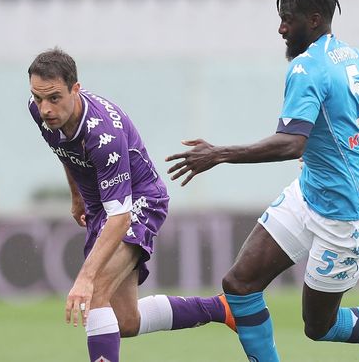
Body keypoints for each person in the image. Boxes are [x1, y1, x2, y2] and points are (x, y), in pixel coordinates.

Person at [166, 0, 359, 361]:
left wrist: (219, 153)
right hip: (309, 193)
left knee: (320, 327)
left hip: (344, 216)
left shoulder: (307, 68)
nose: (281, 28)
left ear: (314, 20)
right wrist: (349, 142)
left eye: (288, 20)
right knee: (239, 284)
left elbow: (291, 143)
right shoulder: (356, 57)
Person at [27, 48, 235, 362]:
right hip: (103, 206)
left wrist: (85, 278)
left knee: (95, 291)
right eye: (38, 98)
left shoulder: (102, 137)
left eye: (54, 98)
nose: (44, 108)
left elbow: (120, 218)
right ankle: (220, 308)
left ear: (75, 89)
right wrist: (76, 194)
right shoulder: (40, 109)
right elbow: (62, 149)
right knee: (125, 320)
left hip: (139, 202)